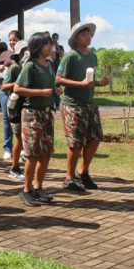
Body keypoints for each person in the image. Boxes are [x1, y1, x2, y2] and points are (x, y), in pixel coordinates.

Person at [56, 21, 110, 191]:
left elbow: (90, 80)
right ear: (76, 38)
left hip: (89, 104)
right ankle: (69, 177)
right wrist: (80, 84)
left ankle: (83, 172)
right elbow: (58, 79)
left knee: (96, 137)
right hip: (73, 104)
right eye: (84, 34)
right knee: (75, 142)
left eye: (89, 34)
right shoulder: (70, 56)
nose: (89, 37)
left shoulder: (92, 56)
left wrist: (100, 83)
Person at [14, 32, 59, 206]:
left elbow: (50, 85)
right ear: (39, 47)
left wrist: (55, 90)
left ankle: (38, 187)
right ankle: (26, 190)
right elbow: (17, 88)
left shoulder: (49, 64)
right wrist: (41, 92)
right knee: (32, 154)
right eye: (47, 44)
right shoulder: (30, 66)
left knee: (46, 152)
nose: (50, 47)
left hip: (47, 113)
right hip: (32, 113)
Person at [2, 41, 29, 180]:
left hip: (26, 106)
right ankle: (14, 167)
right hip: (15, 106)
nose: (27, 53)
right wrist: (17, 84)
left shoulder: (28, 67)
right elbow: (4, 86)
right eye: (24, 50)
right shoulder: (14, 68)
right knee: (18, 136)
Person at [0, 29, 23, 160]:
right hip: (6, 91)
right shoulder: (5, 54)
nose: (12, 42)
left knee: (19, 120)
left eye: (15, 39)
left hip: (20, 93)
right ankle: (8, 148)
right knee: (7, 119)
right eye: (10, 40)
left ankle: (21, 148)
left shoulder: (26, 55)